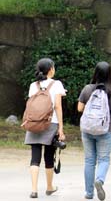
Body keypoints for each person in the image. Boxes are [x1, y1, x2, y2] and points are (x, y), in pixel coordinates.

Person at [78, 61, 111, 200]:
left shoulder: (87, 89)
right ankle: (100, 180)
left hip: (87, 130)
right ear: (109, 74)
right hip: (105, 130)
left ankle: (89, 192)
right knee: (103, 159)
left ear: (95, 73)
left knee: (89, 160)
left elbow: (79, 108)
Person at [24, 57, 66, 199]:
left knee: (35, 157)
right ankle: (49, 187)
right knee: (49, 156)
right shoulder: (57, 84)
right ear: (51, 69)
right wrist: (61, 128)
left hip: (34, 122)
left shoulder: (32, 85)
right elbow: (58, 107)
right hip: (50, 123)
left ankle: (34, 190)